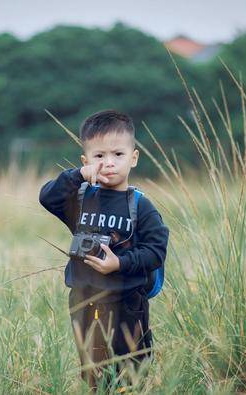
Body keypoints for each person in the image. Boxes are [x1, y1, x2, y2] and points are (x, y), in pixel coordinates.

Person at [38, 109, 170, 392]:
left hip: (128, 304)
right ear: (86, 161)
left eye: (118, 155)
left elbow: (156, 252)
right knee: (95, 377)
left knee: (131, 374)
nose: (109, 163)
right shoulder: (81, 198)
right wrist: (77, 176)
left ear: (133, 158)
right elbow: (47, 197)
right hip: (84, 302)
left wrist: (119, 264)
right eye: (99, 156)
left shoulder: (140, 206)